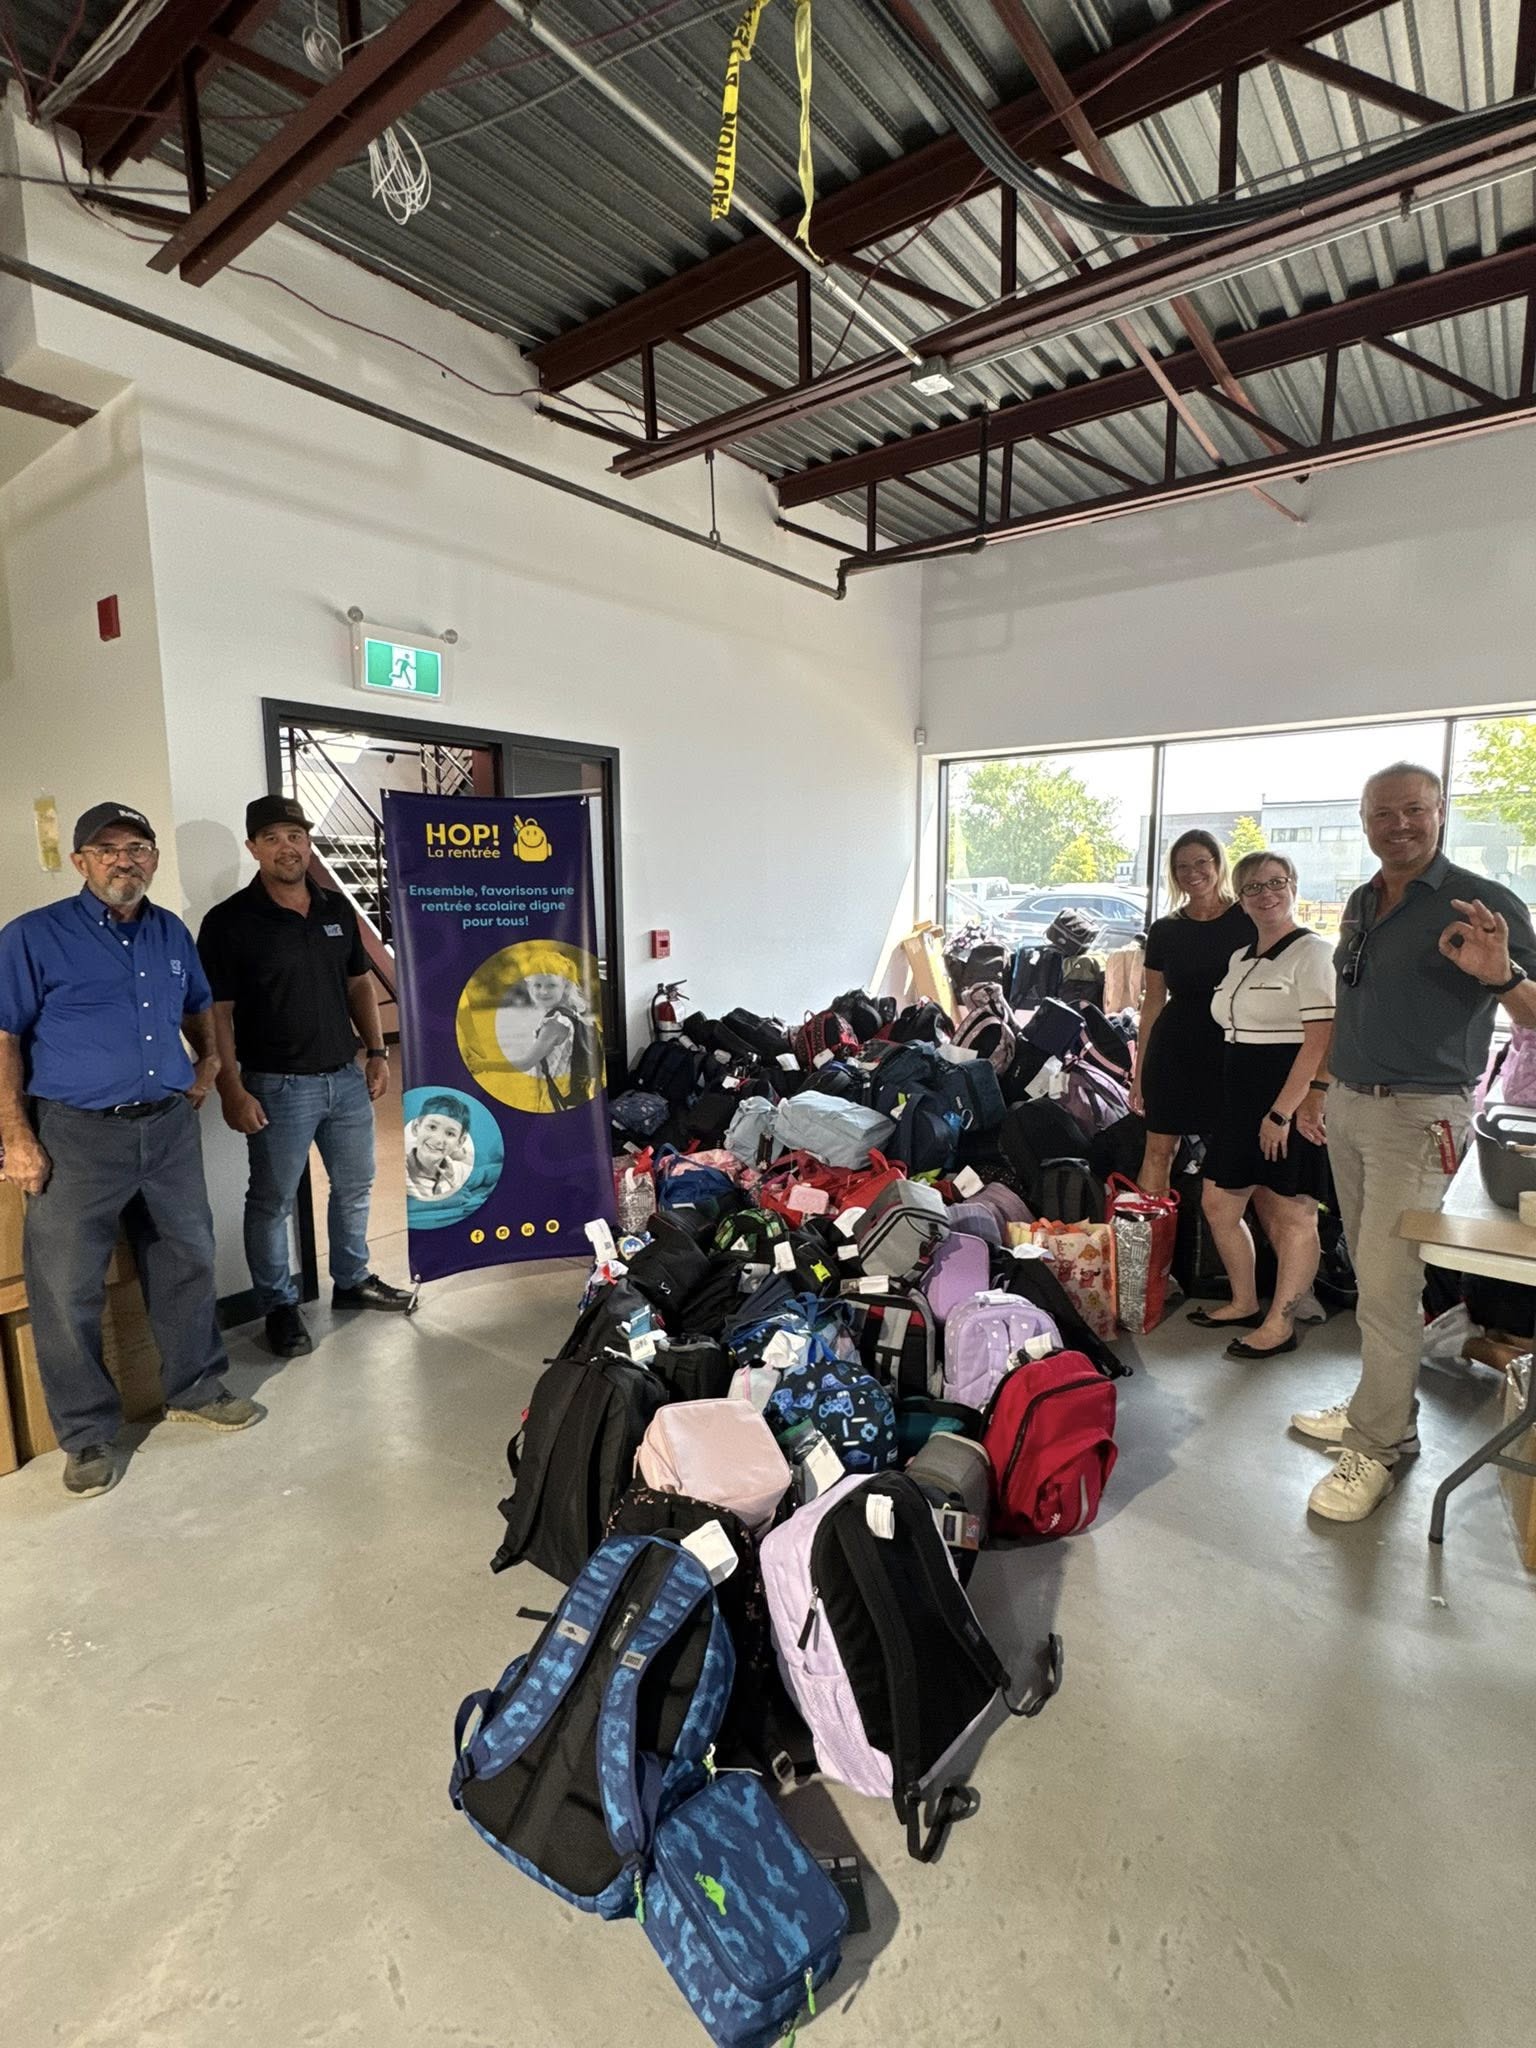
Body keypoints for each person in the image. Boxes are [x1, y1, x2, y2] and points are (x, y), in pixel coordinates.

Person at [1293, 762, 1536, 1522]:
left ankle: (1382, 1444)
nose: (1396, 825)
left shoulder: (1482, 901)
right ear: (1363, 819)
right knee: (1373, 1278)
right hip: (1356, 1110)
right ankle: (1383, 1407)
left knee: (1392, 1283)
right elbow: (1356, 1003)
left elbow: (1532, 1013)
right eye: (1380, 813)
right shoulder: (1365, 902)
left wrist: (1500, 978)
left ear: (1440, 812)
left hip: (1420, 1114)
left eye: (1413, 811)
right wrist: (1324, 1089)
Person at [0, 803, 262, 1498]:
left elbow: (199, 1003)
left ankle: (197, 1389)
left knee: (186, 1257)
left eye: (139, 847)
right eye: (107, 848)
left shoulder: (170, 932)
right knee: (65, 1287)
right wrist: (15, 1136)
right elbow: (3, 1037)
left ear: (152, 858)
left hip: (169, 1128)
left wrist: (207, 1066)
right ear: (81, 860)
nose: (126, 860)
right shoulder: (33, 936)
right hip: (76, 1135)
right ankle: (86, 1436)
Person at [197, 796, 417, 1359]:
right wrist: (231, 1086)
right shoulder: (228, 922)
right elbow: (215, 1012)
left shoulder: (336, 909)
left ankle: (352, 1281)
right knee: (271, 1201)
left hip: (344, 1079)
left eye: (295, 835)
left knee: (355, 1186)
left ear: (308, 842)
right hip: (275, 1086)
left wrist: (376, 1052)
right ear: (253, 849)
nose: (286, 847)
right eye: (271, 838)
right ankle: (277, 1305)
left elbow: (359, 985)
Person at [1193, 851, 1336, 1360]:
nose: (1267, 893)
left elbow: (1320, 1041)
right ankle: (1245, 1300)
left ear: (1294, 886)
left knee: (1293, 1212)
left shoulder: (1313, 953)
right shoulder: (1242, 958)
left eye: (1277, 882)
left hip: (1284, 1097)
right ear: (1241, 898)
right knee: (1219, 1202)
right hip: (1238, 1097)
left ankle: (1281, 1323)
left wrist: (1284, 1111)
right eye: (1254, 887)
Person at [1131, 830, 1252, 1191]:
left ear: (1218, 864)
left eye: (1201, 862)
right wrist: (1139, 1072)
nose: (1192, 872)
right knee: (1158, 1152)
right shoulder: (1165, 930)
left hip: (1232, 1049)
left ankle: (1223, 1246)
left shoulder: (1247, 918)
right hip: (1174, 1051)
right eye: (1182, 866)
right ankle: (1147, 1244)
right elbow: (1153, 1001)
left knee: (1231, 1156)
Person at [405, 1096, 474, 1201]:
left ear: (459, 1142)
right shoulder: (402, 1169)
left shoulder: (455, 1170)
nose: (438, 1139)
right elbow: (412, 1204)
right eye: (432, 1127)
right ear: (416, 1128)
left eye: (450, 1133)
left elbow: (487, 1173)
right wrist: (448, 1198)